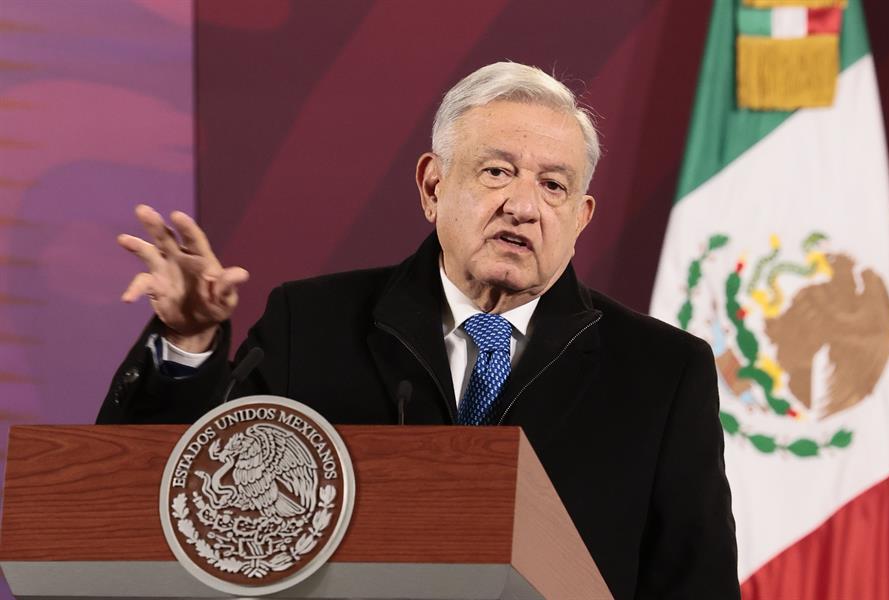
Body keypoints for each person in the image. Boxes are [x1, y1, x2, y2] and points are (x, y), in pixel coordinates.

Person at [98, 62, 739, 598]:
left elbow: (694, 583)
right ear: (433, 185)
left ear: (581, 218)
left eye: (554, 185)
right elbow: (177, 512)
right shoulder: (310, 324)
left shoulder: (660, 372)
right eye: (497, 171)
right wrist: (186, 345)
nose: (523, 205)